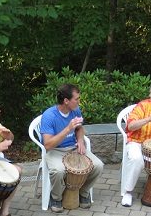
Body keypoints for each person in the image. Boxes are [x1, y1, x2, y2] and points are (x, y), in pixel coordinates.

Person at [40, 83, 104, 213]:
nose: (79, 101)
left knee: (98, 165)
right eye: (77, 99)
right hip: (55, 150)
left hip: (74, 148)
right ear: (66, 101)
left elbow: (80, 128)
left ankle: (84, 192)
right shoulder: (49, 116)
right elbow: (48, 145)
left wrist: (80, 140)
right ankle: (56, 198)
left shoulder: (75, 111)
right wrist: (68, 129)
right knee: (58, 171)